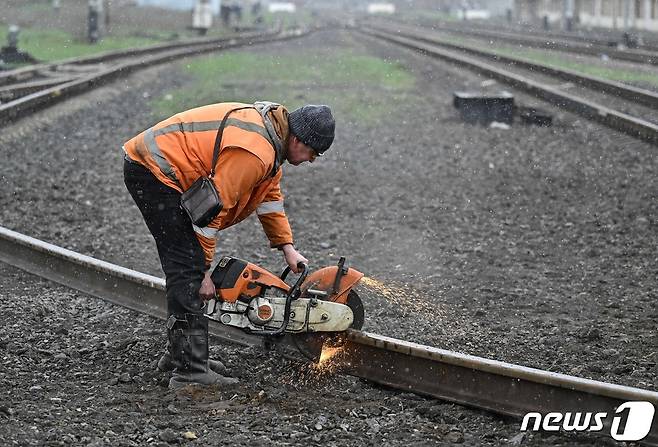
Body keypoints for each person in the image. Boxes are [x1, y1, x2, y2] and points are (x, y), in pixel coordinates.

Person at [122, 101, 335, 389]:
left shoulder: (272, 143)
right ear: (297, 139)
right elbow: (210, 212)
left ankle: (181, 355)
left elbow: (269, 197)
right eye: (313, 152)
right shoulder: (255, 152)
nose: (312, 160)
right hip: (155, 172)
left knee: (186, 266)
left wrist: (287, 247)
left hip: (161, 170)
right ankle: (190, 373)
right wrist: (204, 272)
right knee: (188, 270)